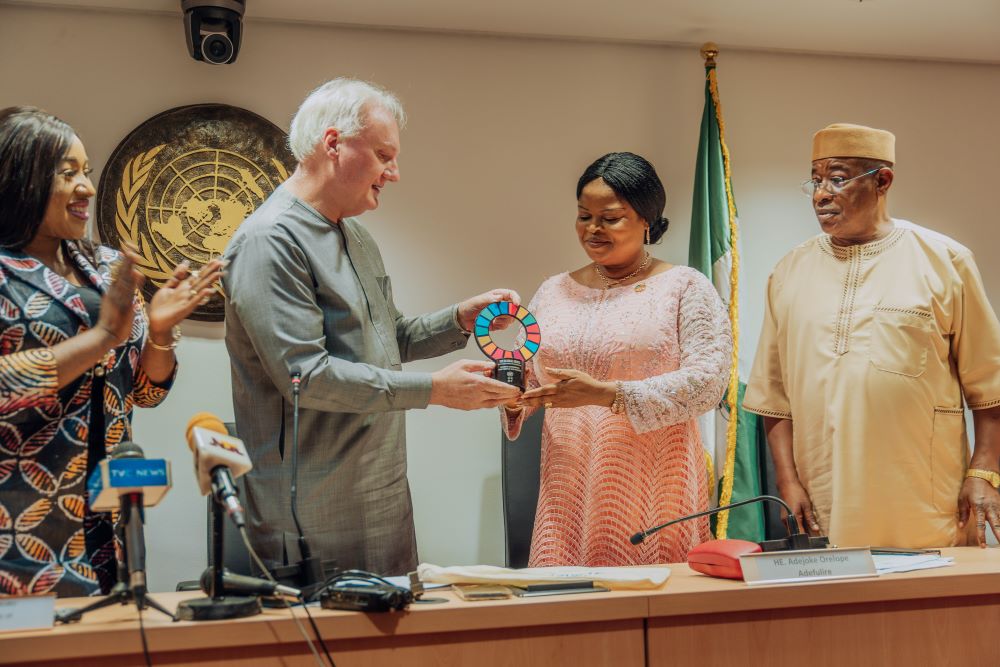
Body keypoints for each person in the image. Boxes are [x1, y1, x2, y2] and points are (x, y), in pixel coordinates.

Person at [223, 78, 521, 577]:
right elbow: (306, 376)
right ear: (334, 144)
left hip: (381, 498)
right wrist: (435, 391)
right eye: (384, 155)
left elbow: (389, 339)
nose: (395, 173)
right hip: (312, 515)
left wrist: (458, 319)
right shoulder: (269, 240)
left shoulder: (354, 233)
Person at [0, 107, 223, 597]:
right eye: (68, 173)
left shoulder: (104, 267)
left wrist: (160, 331)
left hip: (109, 519)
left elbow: (143, 393)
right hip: (20, 523)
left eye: (88, 171)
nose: (88, 188)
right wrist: (101, 337)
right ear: (21, 180)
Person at [744, 123, 1000, 549]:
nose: (821, 194)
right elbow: (774, 399)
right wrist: (788, 483)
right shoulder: (788, 271)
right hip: (825, 500)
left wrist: (984, 472)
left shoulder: (945, 261)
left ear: (883, 181)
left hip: (924, 501)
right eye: (816, 179)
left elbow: (989, 387)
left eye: (838, 179)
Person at [505, 152, 732, 566]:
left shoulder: (684, 286)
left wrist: (610, 394)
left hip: (653, 481)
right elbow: (527, 379)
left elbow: (708, 384)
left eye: (610, 218)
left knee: (653, 611)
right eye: (583, 216)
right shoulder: (553, 291)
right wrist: (508, 394)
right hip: (568, 480)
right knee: (568, 611)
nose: (593, 229)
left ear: (647, 219)